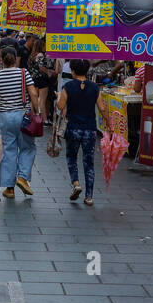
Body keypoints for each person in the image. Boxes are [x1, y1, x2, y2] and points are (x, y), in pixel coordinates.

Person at [0, 46, 38, 198]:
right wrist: (37, 111)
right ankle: (22, 177)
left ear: (1, 59)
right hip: (23, 116)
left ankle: (9, 188)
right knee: (27, 147)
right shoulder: (24, 73)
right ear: (15, 58)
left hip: (5, 117)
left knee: (8, 150)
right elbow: (33, 93)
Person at [57, 59, 102, 206]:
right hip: (90, 129)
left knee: (71, 157)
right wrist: (109, 123)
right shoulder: (95, 87)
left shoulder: (68, 86)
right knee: (89, 162)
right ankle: (89, 197)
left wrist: (59, 97)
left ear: (73, 71)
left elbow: (60, 106)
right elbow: (101, 108)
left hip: (73, 128)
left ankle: (76, 183)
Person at [29, 36, 59, 118]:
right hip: (42, 79)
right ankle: (44, 119)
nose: (45, 47)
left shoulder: (32, 55)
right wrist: (49, 72)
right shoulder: (40, 55)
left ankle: (33, 116)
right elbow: (41, 67)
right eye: (44, 45)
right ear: (41, 46)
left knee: (34, 99)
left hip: (34, 78)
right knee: (43, 100)